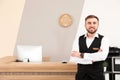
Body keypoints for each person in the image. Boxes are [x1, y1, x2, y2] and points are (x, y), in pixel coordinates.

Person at [70, 15, 109, 80]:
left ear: (98, 25)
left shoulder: (104, 39)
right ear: (85, 25)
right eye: (89, 23)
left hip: (97, 76)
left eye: (94, 23)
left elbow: (102, 56)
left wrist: (81, 55)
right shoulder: (78, 39)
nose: (92, 25)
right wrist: (92, 59)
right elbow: (73, 58)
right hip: (81, 76)